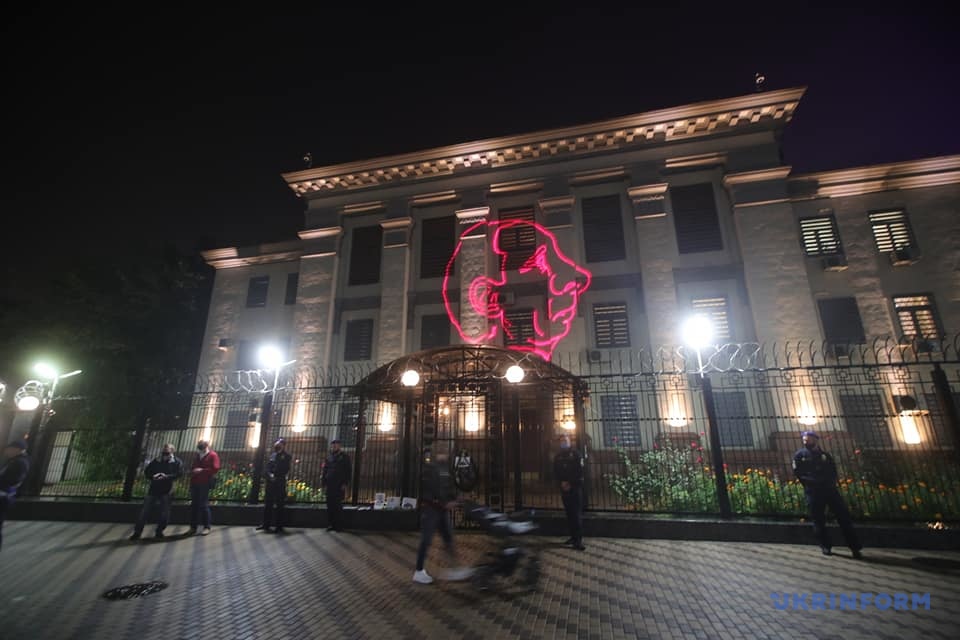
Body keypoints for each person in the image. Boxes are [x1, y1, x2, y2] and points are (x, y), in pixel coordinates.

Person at [792, 430, 863, 559]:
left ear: (815, 439)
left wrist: (829, 482)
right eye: (804, 439)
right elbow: (799, 473)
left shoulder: (825, 455)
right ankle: (825, 546)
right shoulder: (799, 455)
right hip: (813, 491)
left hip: (829, 490)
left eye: (808, 439)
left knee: (843, 517)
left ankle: (854, 547)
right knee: (818, 520)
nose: (805, 441)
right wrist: (811, 483)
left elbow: (833, 471)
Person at [413, 449, 473, 584]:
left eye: (445, 451)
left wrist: (456, 497)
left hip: (441, 510)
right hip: (431, 510)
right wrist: (444, 503)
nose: (444, 453)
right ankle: (418, 571)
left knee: (448, 538)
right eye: (442, 450)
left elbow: (447, 486)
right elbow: (430, 489)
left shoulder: (445, 467)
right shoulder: (429, 468)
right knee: (426, 540)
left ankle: (454, 568)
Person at [130, 444, 182, 541]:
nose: (164, 453)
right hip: (154, 489)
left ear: (172, 451)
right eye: (164, 451)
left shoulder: (176, 462)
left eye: (167, 451)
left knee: (165, 512)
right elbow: (147, 471)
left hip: (167, 490)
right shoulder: (157, 460)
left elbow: (178, 474)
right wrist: (153, 476)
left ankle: (159, 531)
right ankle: (137, 532)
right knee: (145, 511)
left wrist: (166, 476)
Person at [554, 433, 585, 550]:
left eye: (565, 440)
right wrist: (561, 483)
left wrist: (569, 482)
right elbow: (555, 472)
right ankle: (572, 537)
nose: (563, 442)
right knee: (569, 514)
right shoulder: (558, 456)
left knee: (576, 515)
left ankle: (578, 541)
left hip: (575, 488)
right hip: (564, 489)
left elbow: (580, 471)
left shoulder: (576, 454)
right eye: (561, 441)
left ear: (570, 441)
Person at [0, 440, 31, 552]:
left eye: (8, 449)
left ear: (17, 449)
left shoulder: (20, 462)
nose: (6, 451)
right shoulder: (15, 461)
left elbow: (12, 480)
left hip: (4, 497)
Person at [257, 438, 292, 533]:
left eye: (280, 443)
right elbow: (268, 466)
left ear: (283, 445)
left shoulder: (287, 456)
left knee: (280, 504)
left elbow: (285, 469)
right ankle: (266, 524)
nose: (277, 445)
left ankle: (279, 526)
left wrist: (275, 475)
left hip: (279, 483)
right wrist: (269, 475)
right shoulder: (272, 455)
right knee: (268, 504)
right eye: (277, 443)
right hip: (270, 483)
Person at [188, 439, 220, 536]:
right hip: (195, 482)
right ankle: (193, 527)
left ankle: (207, 526)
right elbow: (193, 466)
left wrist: (202, 470)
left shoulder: (213, 455)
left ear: (206, 446)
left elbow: (215, 468)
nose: (200, 450)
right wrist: (194, 471)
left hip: (205, 482)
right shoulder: (198, 455)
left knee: (203, 504)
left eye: (202, 448)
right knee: (194, 505)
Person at [321, 438, 351, 532]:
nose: (334, 446)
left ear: (339, 446)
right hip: (330, 483)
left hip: (339, 484)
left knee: (338, 505)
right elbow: (325, 470)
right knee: (330, 505)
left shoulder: (345, 457)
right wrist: (324, 482)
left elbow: (348, 471)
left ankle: (338, 525)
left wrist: (345, 483)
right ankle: (331, 524)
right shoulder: (329, 457)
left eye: (336, 444)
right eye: (333, 445)